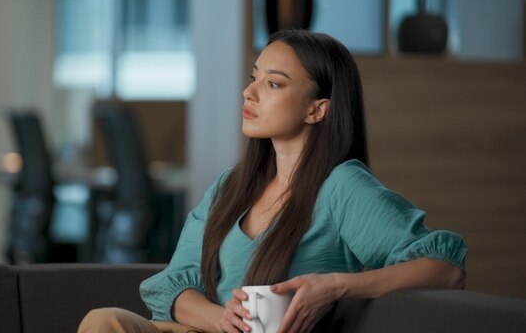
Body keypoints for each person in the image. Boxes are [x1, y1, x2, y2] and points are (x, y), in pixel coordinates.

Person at [78, 29, 467, 333]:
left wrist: (334, 286)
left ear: (317, 109)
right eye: (253, 78)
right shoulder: (233, 185)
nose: (249, 93)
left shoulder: (341, 186)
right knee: (104, 321)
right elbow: (174, 283)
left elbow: (444, 268)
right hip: (200, 329)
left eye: (273, 84)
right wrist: (219, 319)